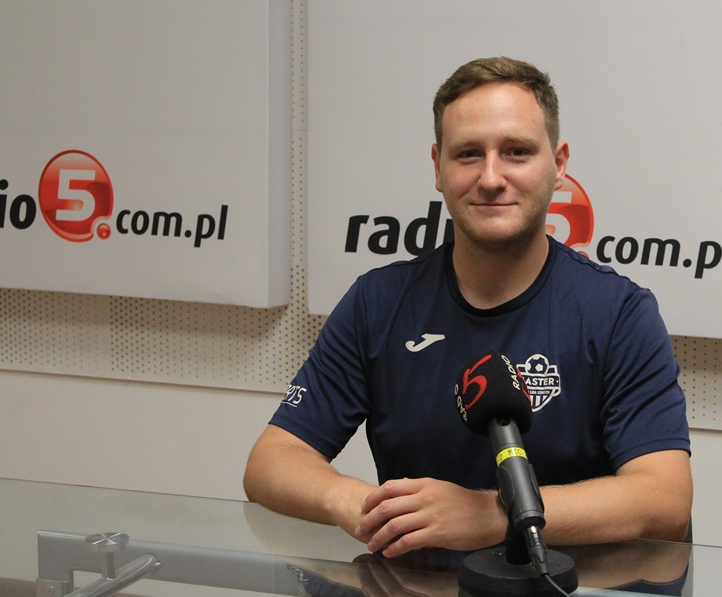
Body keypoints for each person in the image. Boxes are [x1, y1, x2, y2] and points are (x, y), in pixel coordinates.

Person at [244, 56, 693, 560]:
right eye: (468, 154)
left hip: (567, 587)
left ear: (559, 164)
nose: (491, 177)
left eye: (517, 152)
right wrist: (359, 504)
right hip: (416, 588)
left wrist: (496, 516)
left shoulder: (618, 313)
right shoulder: (378, 302)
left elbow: (665, 501)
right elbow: (271, 463)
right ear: (438, 167)